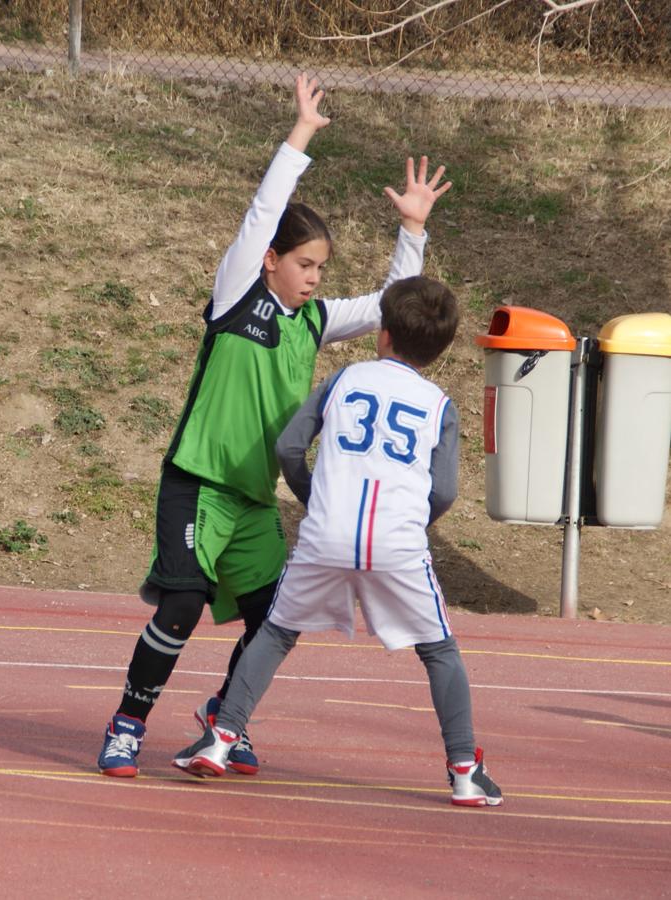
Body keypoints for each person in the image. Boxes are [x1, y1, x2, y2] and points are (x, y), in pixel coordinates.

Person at [98, 73, 452, 779]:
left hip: (255, 501)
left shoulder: (314, 322)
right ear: (270, 262)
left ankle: (223, 717)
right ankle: (126, 725)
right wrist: (300, 137)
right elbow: (264, 213)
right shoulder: (236, 296)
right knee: (182, 604)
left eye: (322, 267)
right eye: (305, 264)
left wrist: (411, 228)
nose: (315, 277)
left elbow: (391, 305)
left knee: (272, 621)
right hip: (198, 484)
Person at [172, 275, 504, 807]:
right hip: (396, 541)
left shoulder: (345, 378)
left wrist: (315, 495)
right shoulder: (440, 404)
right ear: (439, 349)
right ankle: (464, 768)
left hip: (327, 534)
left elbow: (289, 447)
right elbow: (443, 490)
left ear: (383, 332)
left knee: (278, 634)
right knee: (438, 649)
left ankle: (220, 738)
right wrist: (415, 522)